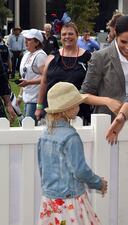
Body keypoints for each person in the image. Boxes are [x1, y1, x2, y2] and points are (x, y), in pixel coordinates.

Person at [37, 82, 107, 224]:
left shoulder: (45, 135)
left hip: (50, 200)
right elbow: (80, 171)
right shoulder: (70, 137)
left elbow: (42, 167)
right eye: (76, 104)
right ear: (67, 109)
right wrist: (98, 183)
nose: (79, 107)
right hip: (69, 202)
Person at [81, 16, 128, 122]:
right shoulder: (100, 57)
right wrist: (107, 101)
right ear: (116, 36)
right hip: (110, 123)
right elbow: (83, 95)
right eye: (123, 42)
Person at [35, 22, 92, 125]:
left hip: (78, 113)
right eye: (64, 34)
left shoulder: (88, 58)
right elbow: (43, 82)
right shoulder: (52, 57)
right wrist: (39, 107)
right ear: (60, 37)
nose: (67, 37)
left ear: (77, 35)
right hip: (52, 110)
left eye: (70, 34)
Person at [16, 29, 47, 124]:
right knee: (26, 125)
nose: (25, 41)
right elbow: (25, 77)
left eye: (29, 39)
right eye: (25, 39)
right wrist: (20, 96)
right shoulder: (27, 54)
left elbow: (46, 78)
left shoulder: (40, 55)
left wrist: (29, 83)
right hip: (27, 97)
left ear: (37, 42)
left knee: (29, 127)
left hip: (36, 98)